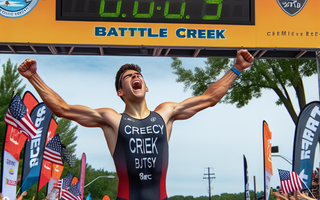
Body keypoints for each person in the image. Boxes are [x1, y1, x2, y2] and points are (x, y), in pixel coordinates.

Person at [18, 49, 254, 200]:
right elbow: (63, 109)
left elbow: (209, 98)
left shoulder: (166, 112)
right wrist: (34, 78)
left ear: (146, 86)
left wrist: (237, 69)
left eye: (137, 75)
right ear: (120, 91)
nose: (134, 77)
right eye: (127, 77)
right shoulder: (111, 119)